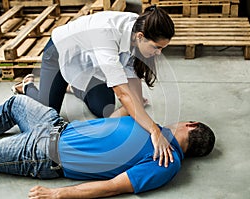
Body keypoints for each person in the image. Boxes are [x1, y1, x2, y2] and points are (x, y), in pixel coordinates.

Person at [0, 95, 216, 198]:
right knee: (15, 104)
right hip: (55, 125)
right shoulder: (153, 128)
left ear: (191, 125)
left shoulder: (167, 162)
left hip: (41, 155)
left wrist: (58, 194)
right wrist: (131, 104)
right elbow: (109, 125)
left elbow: (113, 186)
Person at [11, 5, 176, 167]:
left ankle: (72, 87)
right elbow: (124, 95)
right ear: (140, 36)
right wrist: (154, 130)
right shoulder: (107, 34)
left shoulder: (140, 29)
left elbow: (132, 86)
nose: (159, 53)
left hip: (91, 65)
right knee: (46, 113)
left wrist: (137, 104)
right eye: (157, 47)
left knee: (105, 108)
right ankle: (27, 86)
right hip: (60, 54)